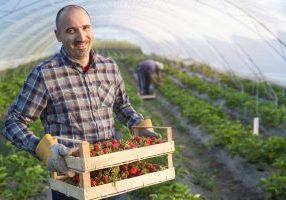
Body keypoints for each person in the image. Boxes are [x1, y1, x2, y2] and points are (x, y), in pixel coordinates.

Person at [2, 5, 159, 200]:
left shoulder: (109, 67)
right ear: (58, 35)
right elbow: (13, 122)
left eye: (85, 28)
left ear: (91, 29)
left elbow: (122, 105)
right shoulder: (45, 74)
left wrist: (138, 125)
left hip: (109, 173)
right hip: (71, 180)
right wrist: (44, 150)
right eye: (71, 30)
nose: (81, 36)